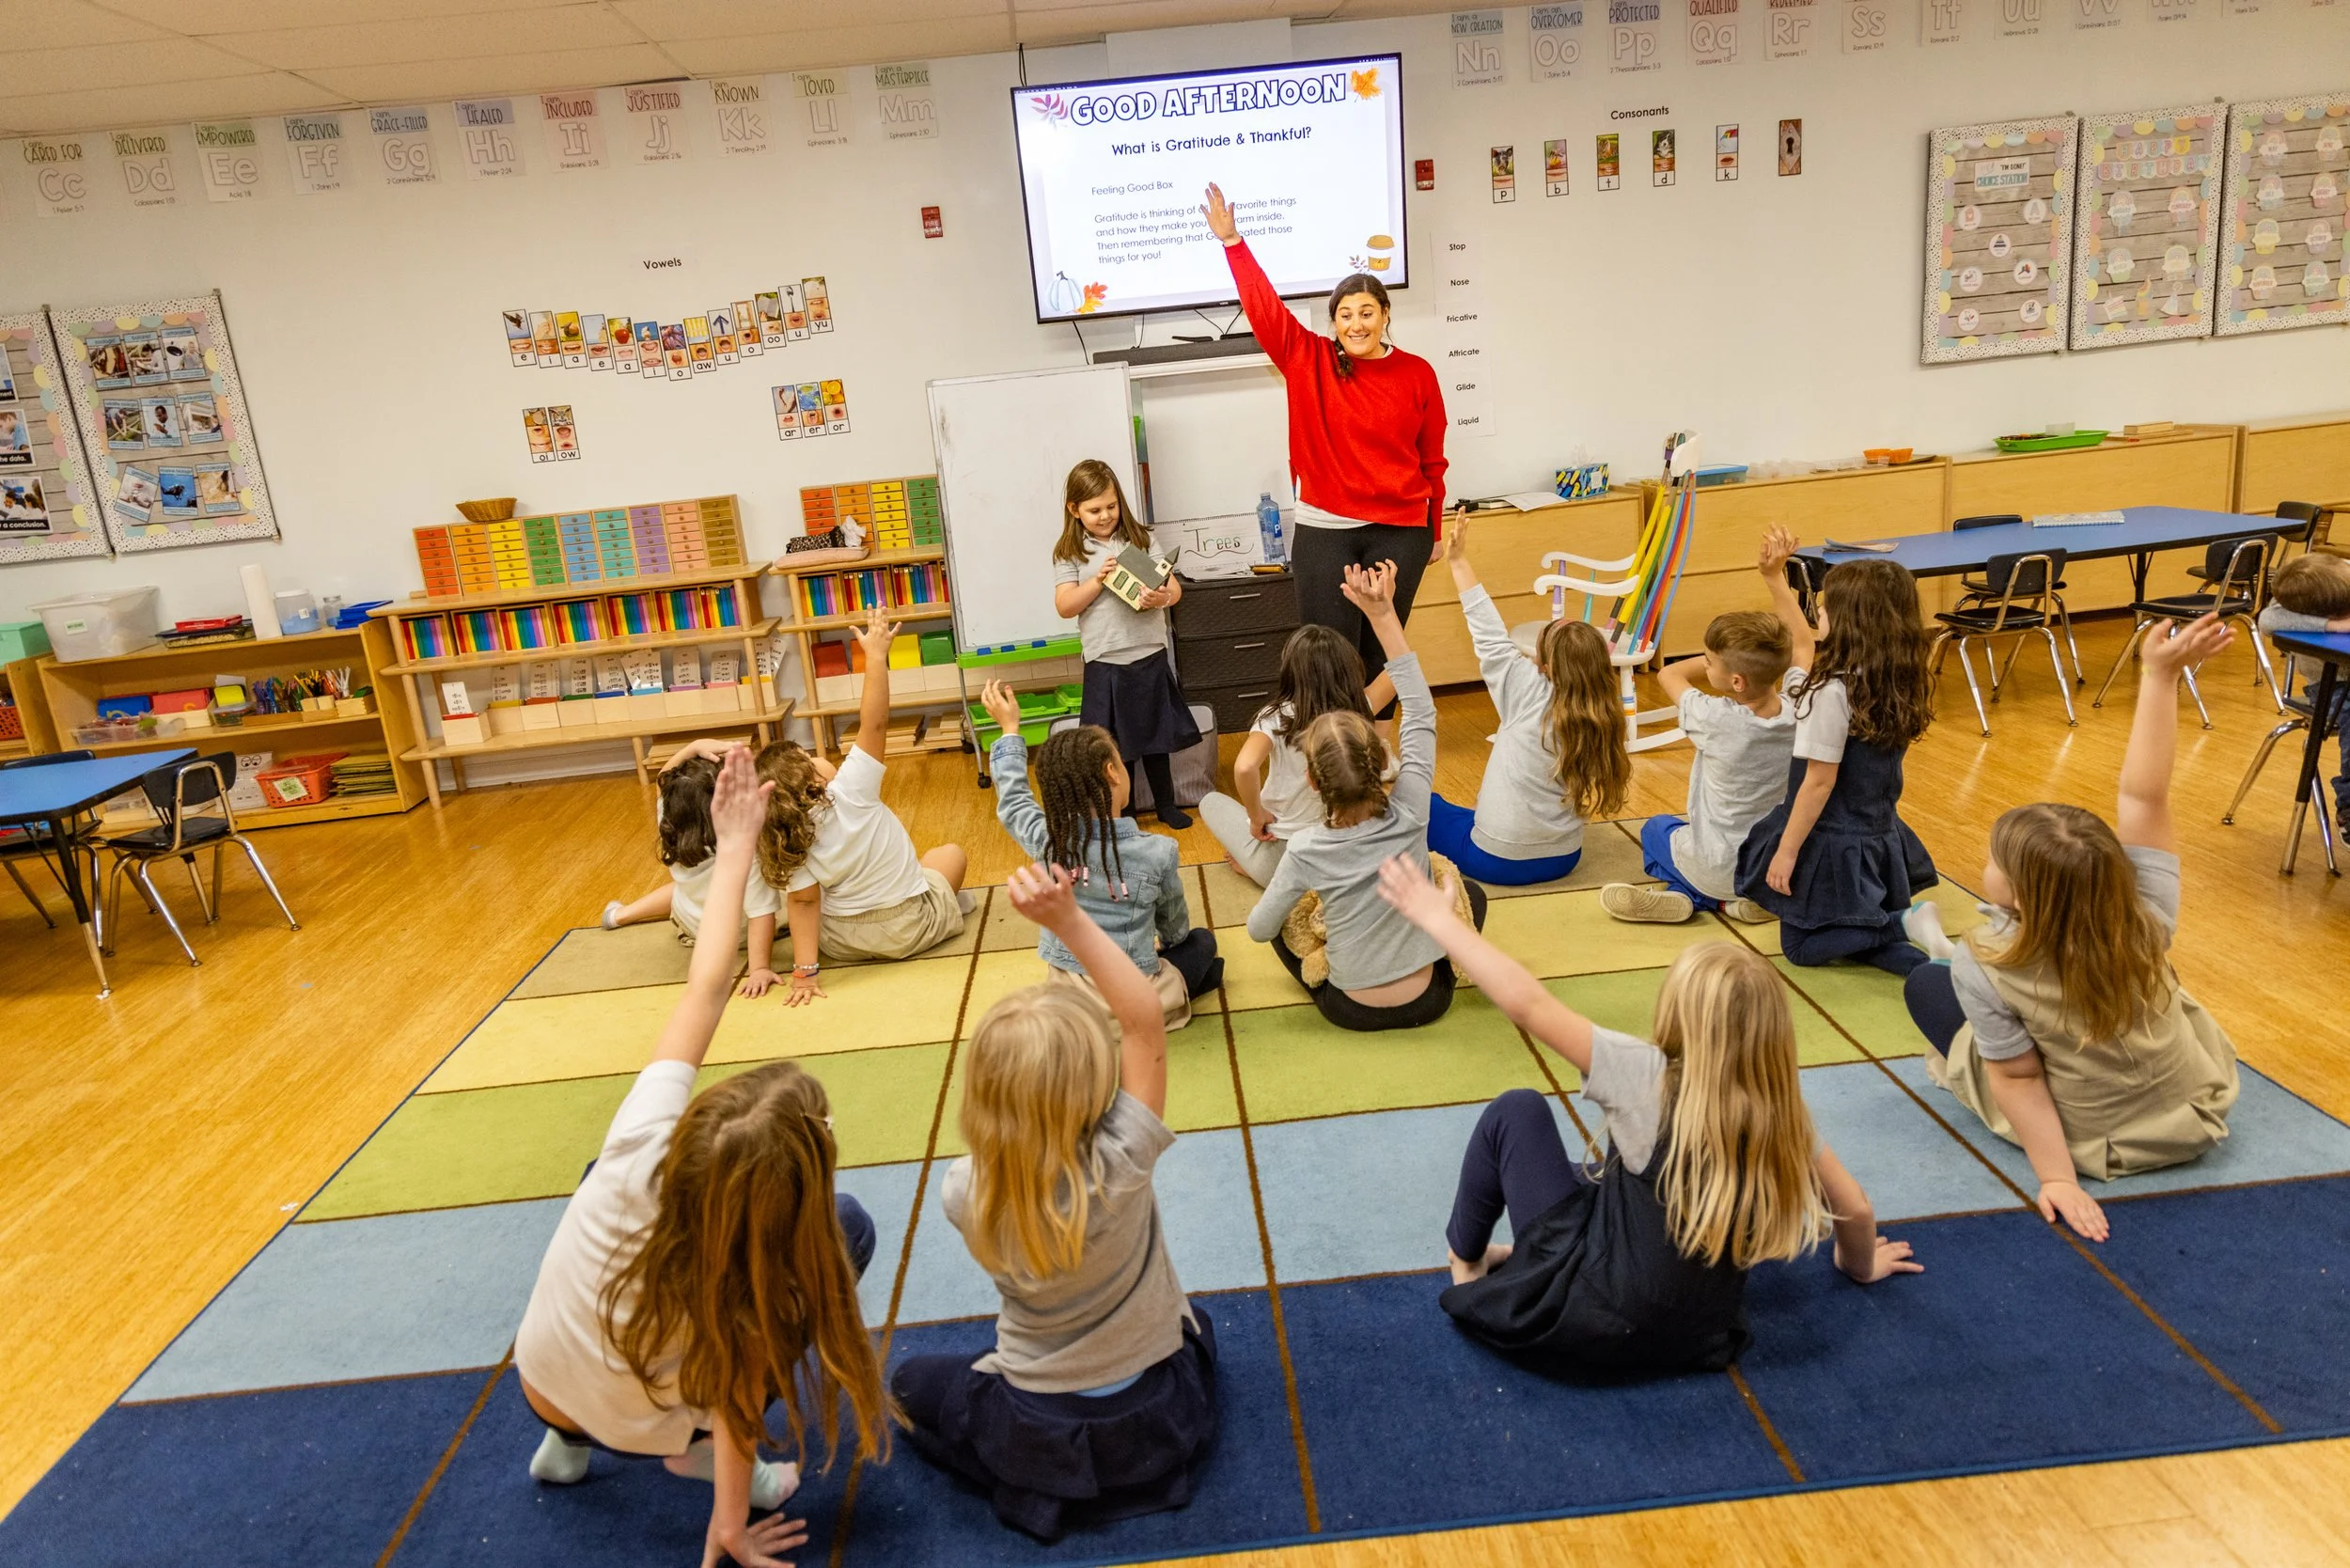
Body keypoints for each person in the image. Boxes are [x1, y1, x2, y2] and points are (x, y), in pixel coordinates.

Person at [513, 745, 893, 1568]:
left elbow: (706, 985)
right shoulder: (740, 1279)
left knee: (591, 1185)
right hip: (663, 1413)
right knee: (848, 1228)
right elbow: (732, 1400)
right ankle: (674, 1451)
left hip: (543, 1383)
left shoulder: (640, 1139)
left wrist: (733, 840)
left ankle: (566, 1446)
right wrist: (727, 1519)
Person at [1377, 854, 1918, 1374]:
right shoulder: (1782, 1110)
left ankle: (1467, 1263)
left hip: (1588, 1314)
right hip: (1697, 1338)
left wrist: (1441, 923)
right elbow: (1856, 1207)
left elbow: (1529, 1005)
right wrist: (1860, 1264)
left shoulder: (1647, 1075)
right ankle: (1512, 1255)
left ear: (1677, 1011)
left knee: (1516, 1112)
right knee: (1597, 1178)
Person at [893, 863, 1219, 1543]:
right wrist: (1068, 920)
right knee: (1200, 1327)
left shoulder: (965, 1190)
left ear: (980, 1096)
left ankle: (1043, 1482)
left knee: (908, 1381)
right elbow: (1142, 1023)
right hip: (1158, 1412)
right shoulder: (1124, 1155)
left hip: (1036, 1424)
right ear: (1096, 1085)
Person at [1904, 616, 2244, 1242]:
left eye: (1993, 863)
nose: (1985, 867)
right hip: (2193, 1109)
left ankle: (1931, 955)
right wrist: (2161, 677)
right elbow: (2147, 798)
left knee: (1927, 986)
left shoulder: (1988, 961)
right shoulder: (2142, 912)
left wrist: (2057, 1177)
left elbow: (2020, 1077)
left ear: (2019, 894)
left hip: (2101, 1138)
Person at [1201, 181, 1448, 684]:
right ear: (1333, 322)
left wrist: (1435, 530)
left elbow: (1432, 462)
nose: (1356, 324)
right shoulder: (1308, 359)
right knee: (1328, 659)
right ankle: (1338, 757)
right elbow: (1265, 307)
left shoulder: (1418, 373)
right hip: (1325, 528)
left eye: (1366, 313)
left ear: (1385, 316)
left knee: (1384, 656)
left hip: (1401, 529)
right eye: (1345, 315)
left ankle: (1379, 756)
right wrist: (1233, 243)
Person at [1246, 561, 1489, 1029]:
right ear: (1381, 760)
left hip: (1350, 1009)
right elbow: (1420, 708)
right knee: (1469, 894)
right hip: (1431, 999)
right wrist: (1383, 616)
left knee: (1283, 919)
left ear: (1314, 783)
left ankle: (1323, 960)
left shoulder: (1305, 849)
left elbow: (1258, 929)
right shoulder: (1413, 808)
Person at [751, 606, 970, 998]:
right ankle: (944, 908)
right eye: (808, 756)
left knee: (811, 902)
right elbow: (875, 722)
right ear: (811, 777)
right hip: (909, 926)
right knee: (950, 854)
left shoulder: (788, 833)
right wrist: (875, 657)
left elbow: (802, 903)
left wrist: (805, 974)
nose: (819, 756)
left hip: (842, 943)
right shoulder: (853, 787)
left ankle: (936, 903)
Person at [1734, 555, 1938, 975]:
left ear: (1850, 619)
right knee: (1857, 934)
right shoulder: (1896, 672)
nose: (1818, 612)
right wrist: (1773, 578)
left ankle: (1899, 922)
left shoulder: (1830, 692)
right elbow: (1803, 646)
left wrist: (1786, 853)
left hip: (1832, 838)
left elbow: (1819, 783)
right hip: (1876, 830)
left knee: (1801, 946)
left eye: (1825, 606)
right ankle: (1928, 962)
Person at [978, 680, 1223, 1027]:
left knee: (1196, 956)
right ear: (1112, 772)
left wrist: (1010, 729)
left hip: (1070, 1000)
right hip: (1135, 997)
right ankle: (1187, 988)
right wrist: (1167, 944)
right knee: (1201, 942)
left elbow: (1014, 801)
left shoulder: (1049, 842)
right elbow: (1174, 927)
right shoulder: (1157, 851)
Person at [1605, 535, 1808, 924]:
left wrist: (1722, 656)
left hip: (1715, 866)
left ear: (1735, 682)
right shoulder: (1799, 708)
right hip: (1771, 868)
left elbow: (1670, 672)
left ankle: (1696, 897)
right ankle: (1738, 903)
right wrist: (1774, 578)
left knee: (1656, 828)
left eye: (1711, 662)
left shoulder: (1715, 718)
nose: (1706, 665)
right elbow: (1802, 646)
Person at [1427, 513, 1630, 886]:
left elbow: (1486, 629)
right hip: (1565, 857)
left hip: (1495, 861)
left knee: (1424, 805)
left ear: (1545, 666)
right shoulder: (1605, 708)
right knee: (1457, 813)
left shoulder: (1525, 689)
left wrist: (1458, 560)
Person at [1051, 458, 1199, 830]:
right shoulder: (1070, 551)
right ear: (1075, 510)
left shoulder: (1141, 538)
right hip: (1105, 659)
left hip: (1148, 651)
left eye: (1111, 506)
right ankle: (1126, 811)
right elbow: (1065, 606)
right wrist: (1097, 581)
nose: (1105, 516)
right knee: (1116, 746)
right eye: (1095, 510)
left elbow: (1174, 589)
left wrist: (1160, 598)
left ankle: (1166, 805)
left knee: (1156, 736)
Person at [1197, 625, 1391, 886]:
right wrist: (1381, 611)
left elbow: (1244, 767)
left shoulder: (1275, 717)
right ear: (1349, 668)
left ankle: (1255, 870)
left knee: (1209, 801)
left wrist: (1256, 817)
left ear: (1290, 672)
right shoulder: (1358, 709)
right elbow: (1401, 669)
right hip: (1343, 855)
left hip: (1282, 861)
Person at [600, 753, 785, 997]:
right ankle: (622, 914)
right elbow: (761, 915)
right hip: (735, 935)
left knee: (684, 889)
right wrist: (759, 967)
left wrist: (693, 746)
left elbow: (663, 780)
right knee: (788, 891)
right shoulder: (747, 850)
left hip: (692, 925)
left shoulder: (670, 823)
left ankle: (620, 915)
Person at [2258, 551, 2350, 831]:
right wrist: (2333, 627)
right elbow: (2266, 622)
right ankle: (2348, 803)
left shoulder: (2343, 571)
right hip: (2332, 685)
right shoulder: (2293, 602)